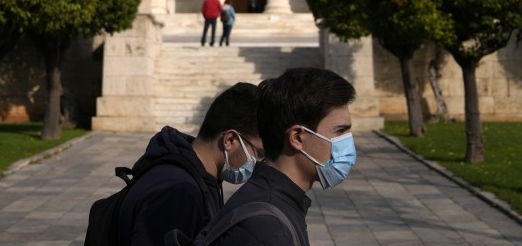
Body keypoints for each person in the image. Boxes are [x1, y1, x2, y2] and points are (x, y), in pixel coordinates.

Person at [214, 68, 357, 245]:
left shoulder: (271, 202)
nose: (347, 142)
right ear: (297, 137)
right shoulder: (270, 231)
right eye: (340, 131)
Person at [115, 82, 265, 246]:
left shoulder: (199, 177)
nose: (257, 162)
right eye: (258, 153)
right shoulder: (179, 191)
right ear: (230, 140)